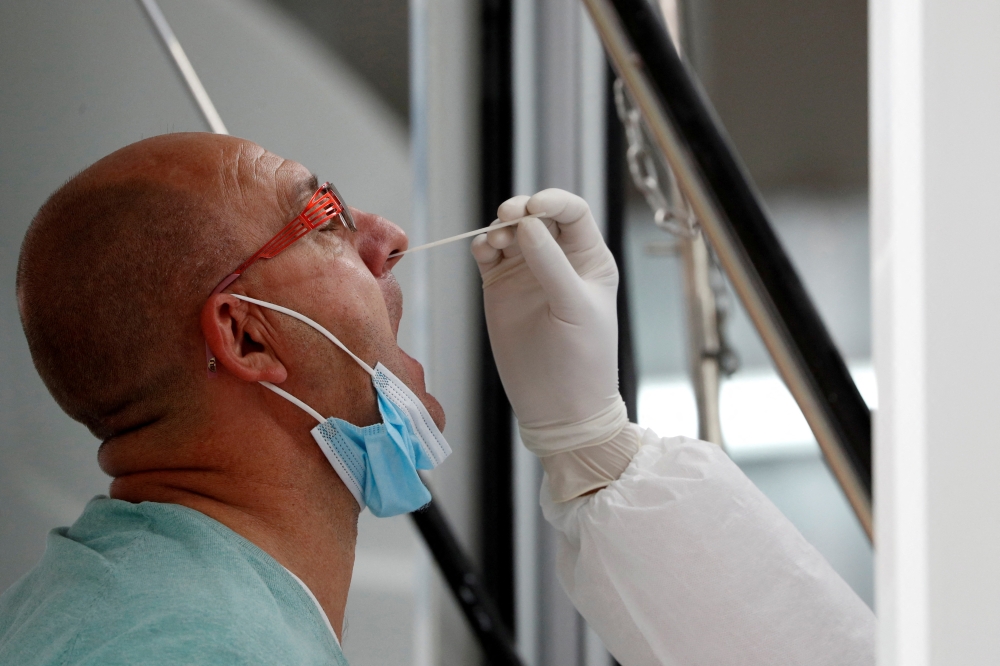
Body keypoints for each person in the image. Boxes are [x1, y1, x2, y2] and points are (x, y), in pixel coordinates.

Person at [0, 131, 874, 665]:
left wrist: (597, 446)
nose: (388, 239)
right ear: (245, 337)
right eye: (327, 220)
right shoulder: (184, 650)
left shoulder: (120, 603)